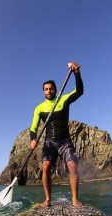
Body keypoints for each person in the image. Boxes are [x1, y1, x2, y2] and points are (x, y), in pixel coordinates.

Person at [29, 62, 84, 207]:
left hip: (64, 140)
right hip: (49, 142)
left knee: (72, 165)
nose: (49, 91)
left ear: (55, 90)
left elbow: (79, 91)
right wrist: (33, 139)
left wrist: (77, 74)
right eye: (46, 89)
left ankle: (74, 198)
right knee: (46, 167)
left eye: (51, 88)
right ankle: (48, 199)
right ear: (43, 92)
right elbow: (33, 127)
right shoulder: (39, 108)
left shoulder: (64, 100)